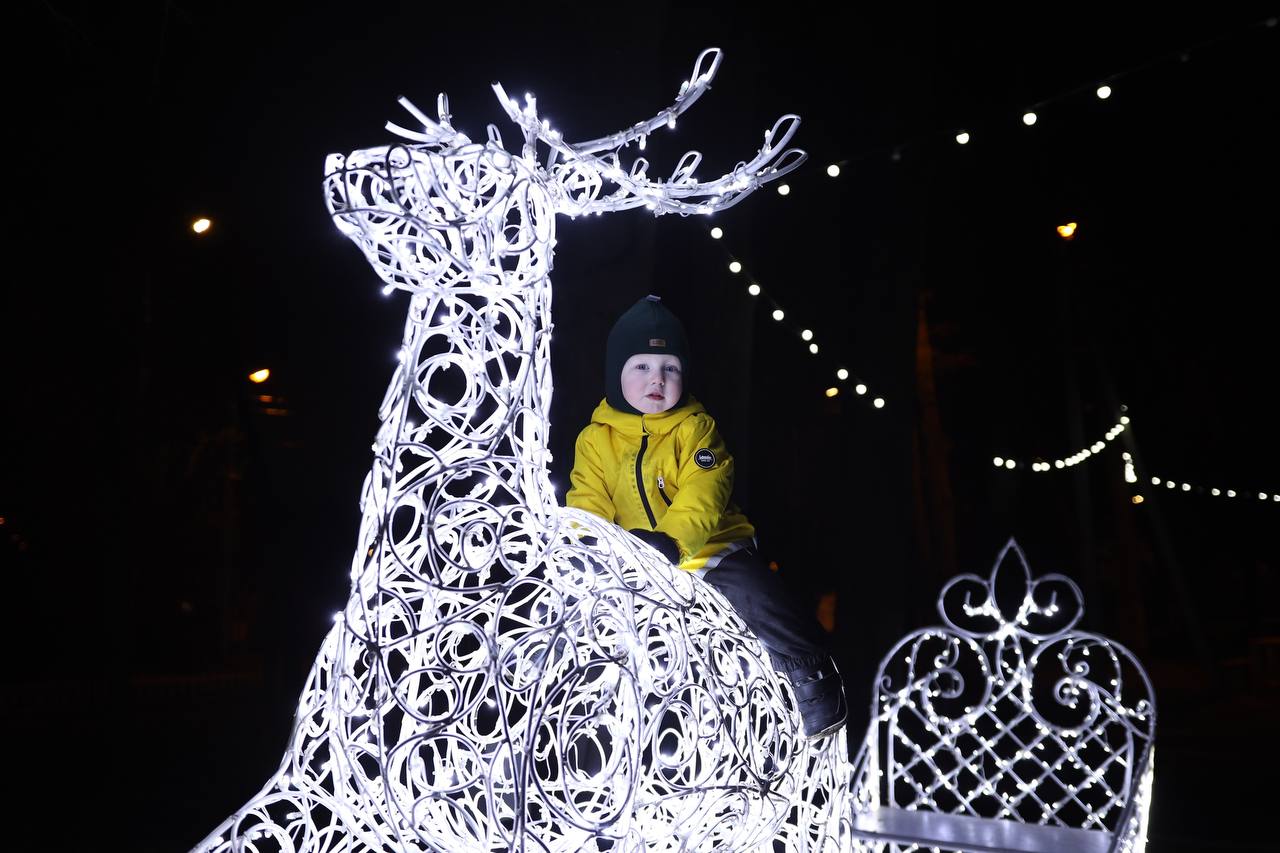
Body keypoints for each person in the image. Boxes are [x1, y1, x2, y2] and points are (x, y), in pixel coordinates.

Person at [566, 295, 846, 739]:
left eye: (670, 368)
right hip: (634, 561)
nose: (657, 379)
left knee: (755, 594)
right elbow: (588, 498)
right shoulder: (595, 439)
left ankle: (810, 670)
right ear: (616, 372)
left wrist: (672, 541)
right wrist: (589, 547)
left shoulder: (696, 428)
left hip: (709, 549)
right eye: (642, 366)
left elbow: (704, 492)